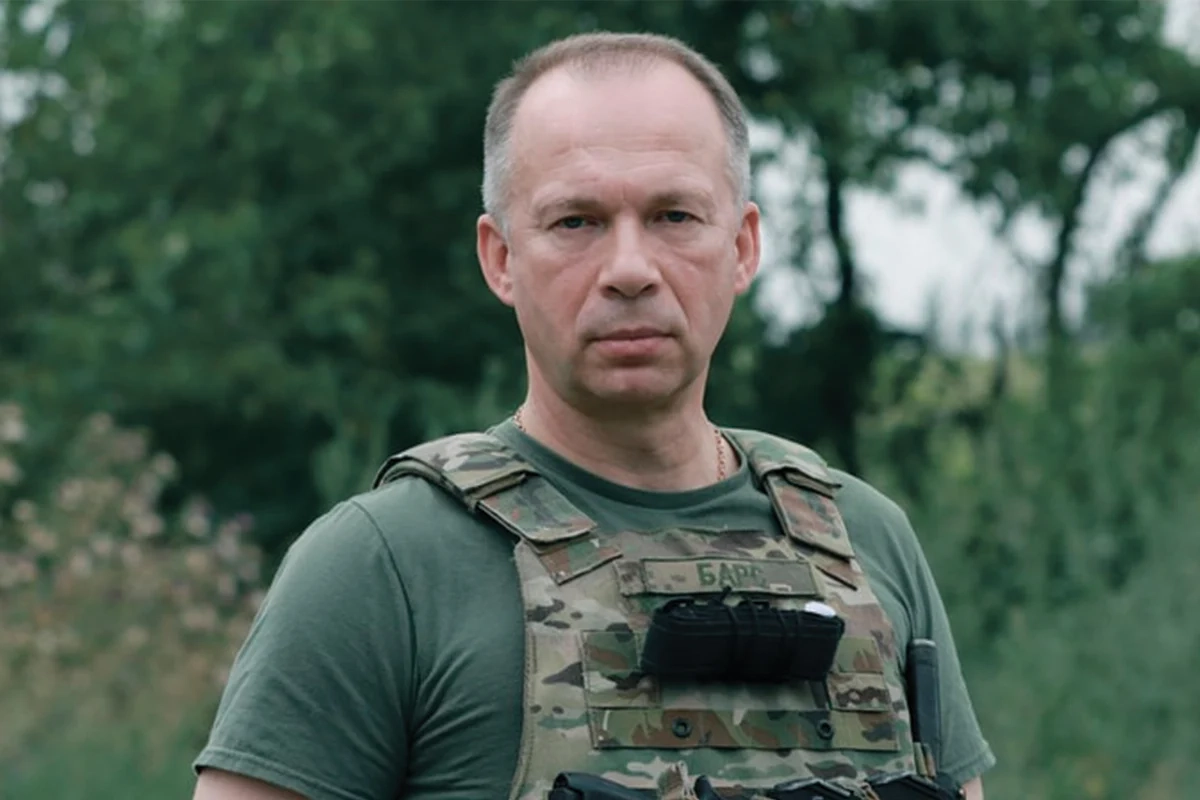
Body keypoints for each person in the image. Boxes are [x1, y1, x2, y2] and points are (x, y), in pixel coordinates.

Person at [192, 31, 994, 800]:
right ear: (501, 258)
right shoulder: (386, 566)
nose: (630, 269)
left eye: (674, 216)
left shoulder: (862, 539)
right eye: (576, 222)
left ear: (743, 247)